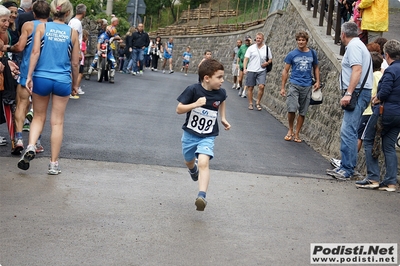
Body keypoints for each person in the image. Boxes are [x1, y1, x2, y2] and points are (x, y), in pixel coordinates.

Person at [17, 0, 80, 175]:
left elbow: (35, 53)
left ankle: (30, 146)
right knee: (57, 122)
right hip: (62, 80)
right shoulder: (72, 33)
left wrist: (29, 76)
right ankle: (53, 164)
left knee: (38, 116)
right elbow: (75, 63)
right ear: (68, 14)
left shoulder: (42, 28)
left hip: (41, 78)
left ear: (53, 12)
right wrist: (75, 84)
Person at [176, 58, 231, 211]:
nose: (222, 80)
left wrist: (223, 118)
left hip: (208, 135)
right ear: (207, 78)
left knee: (203, 162)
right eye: (219, 77)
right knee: (189, 161)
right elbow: (179, 109)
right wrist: (195, 104)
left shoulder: (221, 93)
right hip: (190, 134)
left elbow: (222, 101)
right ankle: (192, 171)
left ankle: (202, 196)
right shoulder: (193, 90)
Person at [326, 22, 373, 180]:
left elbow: (357, 69)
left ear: (343, 34)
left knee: (348, 131)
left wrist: (349, 93)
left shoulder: (353, 47)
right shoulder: (360, 45)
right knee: (349, 131)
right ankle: (346, 167)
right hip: (361, 91)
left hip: (357, 92)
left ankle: (347, 169)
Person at [5, 0, 50, 155]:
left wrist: (7, 47)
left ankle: (18, 139)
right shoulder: (55, 29)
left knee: (21, 104)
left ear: (33, 12)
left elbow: (20, 47)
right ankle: (36, 142)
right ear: (49, 14)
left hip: (26, 71)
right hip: (45, 73)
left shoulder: (29, 25)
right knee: (39, 111)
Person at [355, 39, 400, 192]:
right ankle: (390, 182)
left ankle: (373, 178)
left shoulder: (390, 71)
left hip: (384, 111)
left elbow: (385, 91)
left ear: (387, 55)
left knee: (368, 139)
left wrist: (376, 98)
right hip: (398, 114)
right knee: (389, 146)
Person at [330, 51, 383, 169]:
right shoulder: (381, 75)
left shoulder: (373, 76)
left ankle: (349, 161)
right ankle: (348, 160)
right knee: (358, 135)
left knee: (358, 136)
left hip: (369, 111)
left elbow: (373, 94)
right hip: (372, 111)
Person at [280, 30, 320, 143]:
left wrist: (318, 81)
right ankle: (290, 130)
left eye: (303, 40)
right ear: (296, 41)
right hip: (294, 84)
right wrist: (282, 87)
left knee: (303, 111)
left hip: (307, 85)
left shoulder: (312, 53)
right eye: (299, 40)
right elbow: (285, 70)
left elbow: (316, 67)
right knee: (291, 108)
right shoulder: (292, 54)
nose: (301, 42)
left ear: (306, 41)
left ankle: (297, 133)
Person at [243, 32, 272, 111]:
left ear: (263, 39)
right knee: (250, 87)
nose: (258, 40)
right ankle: (250, 103)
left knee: (261, 86)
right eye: (257, 38)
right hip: (251, 69)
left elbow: (270, 59)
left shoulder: (266, 48)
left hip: (262, 70)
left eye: (260, 38)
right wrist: (245, 68)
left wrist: (267, 63)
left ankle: (258, 102)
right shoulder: (251, 48)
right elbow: (246, 59)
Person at [68, 3, 86, 96]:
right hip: (74, 50)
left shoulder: (72, 21)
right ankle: (72, 89)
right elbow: (74, 38)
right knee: (74, 69)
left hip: (71, 49)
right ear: (83, 12)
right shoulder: (77, 23)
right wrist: (78, 52)